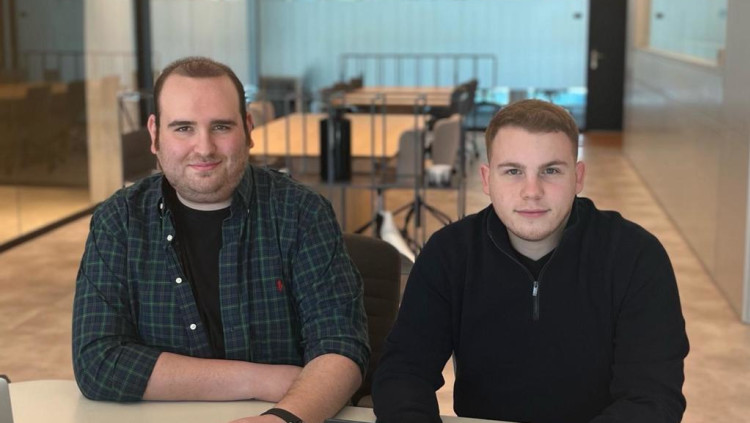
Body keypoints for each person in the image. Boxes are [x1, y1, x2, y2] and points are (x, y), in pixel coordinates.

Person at [72, 57, 369, 423]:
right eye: (183, 128)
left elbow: (341, 347)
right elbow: (97, 362)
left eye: (221, 126)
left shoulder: (302, 214)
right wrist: (260, 379)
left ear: (248, 128)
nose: (205, 148)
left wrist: (281, 419)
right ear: (154, 134)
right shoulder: (118, 221)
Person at [372, 99, 689, 423]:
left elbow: (652, 399)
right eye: (513, 171)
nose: (532, 191)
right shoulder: (449, 253)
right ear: (487, 179)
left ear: (578, 177)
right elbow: (403, 373)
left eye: (551, 171)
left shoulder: (634, 256)